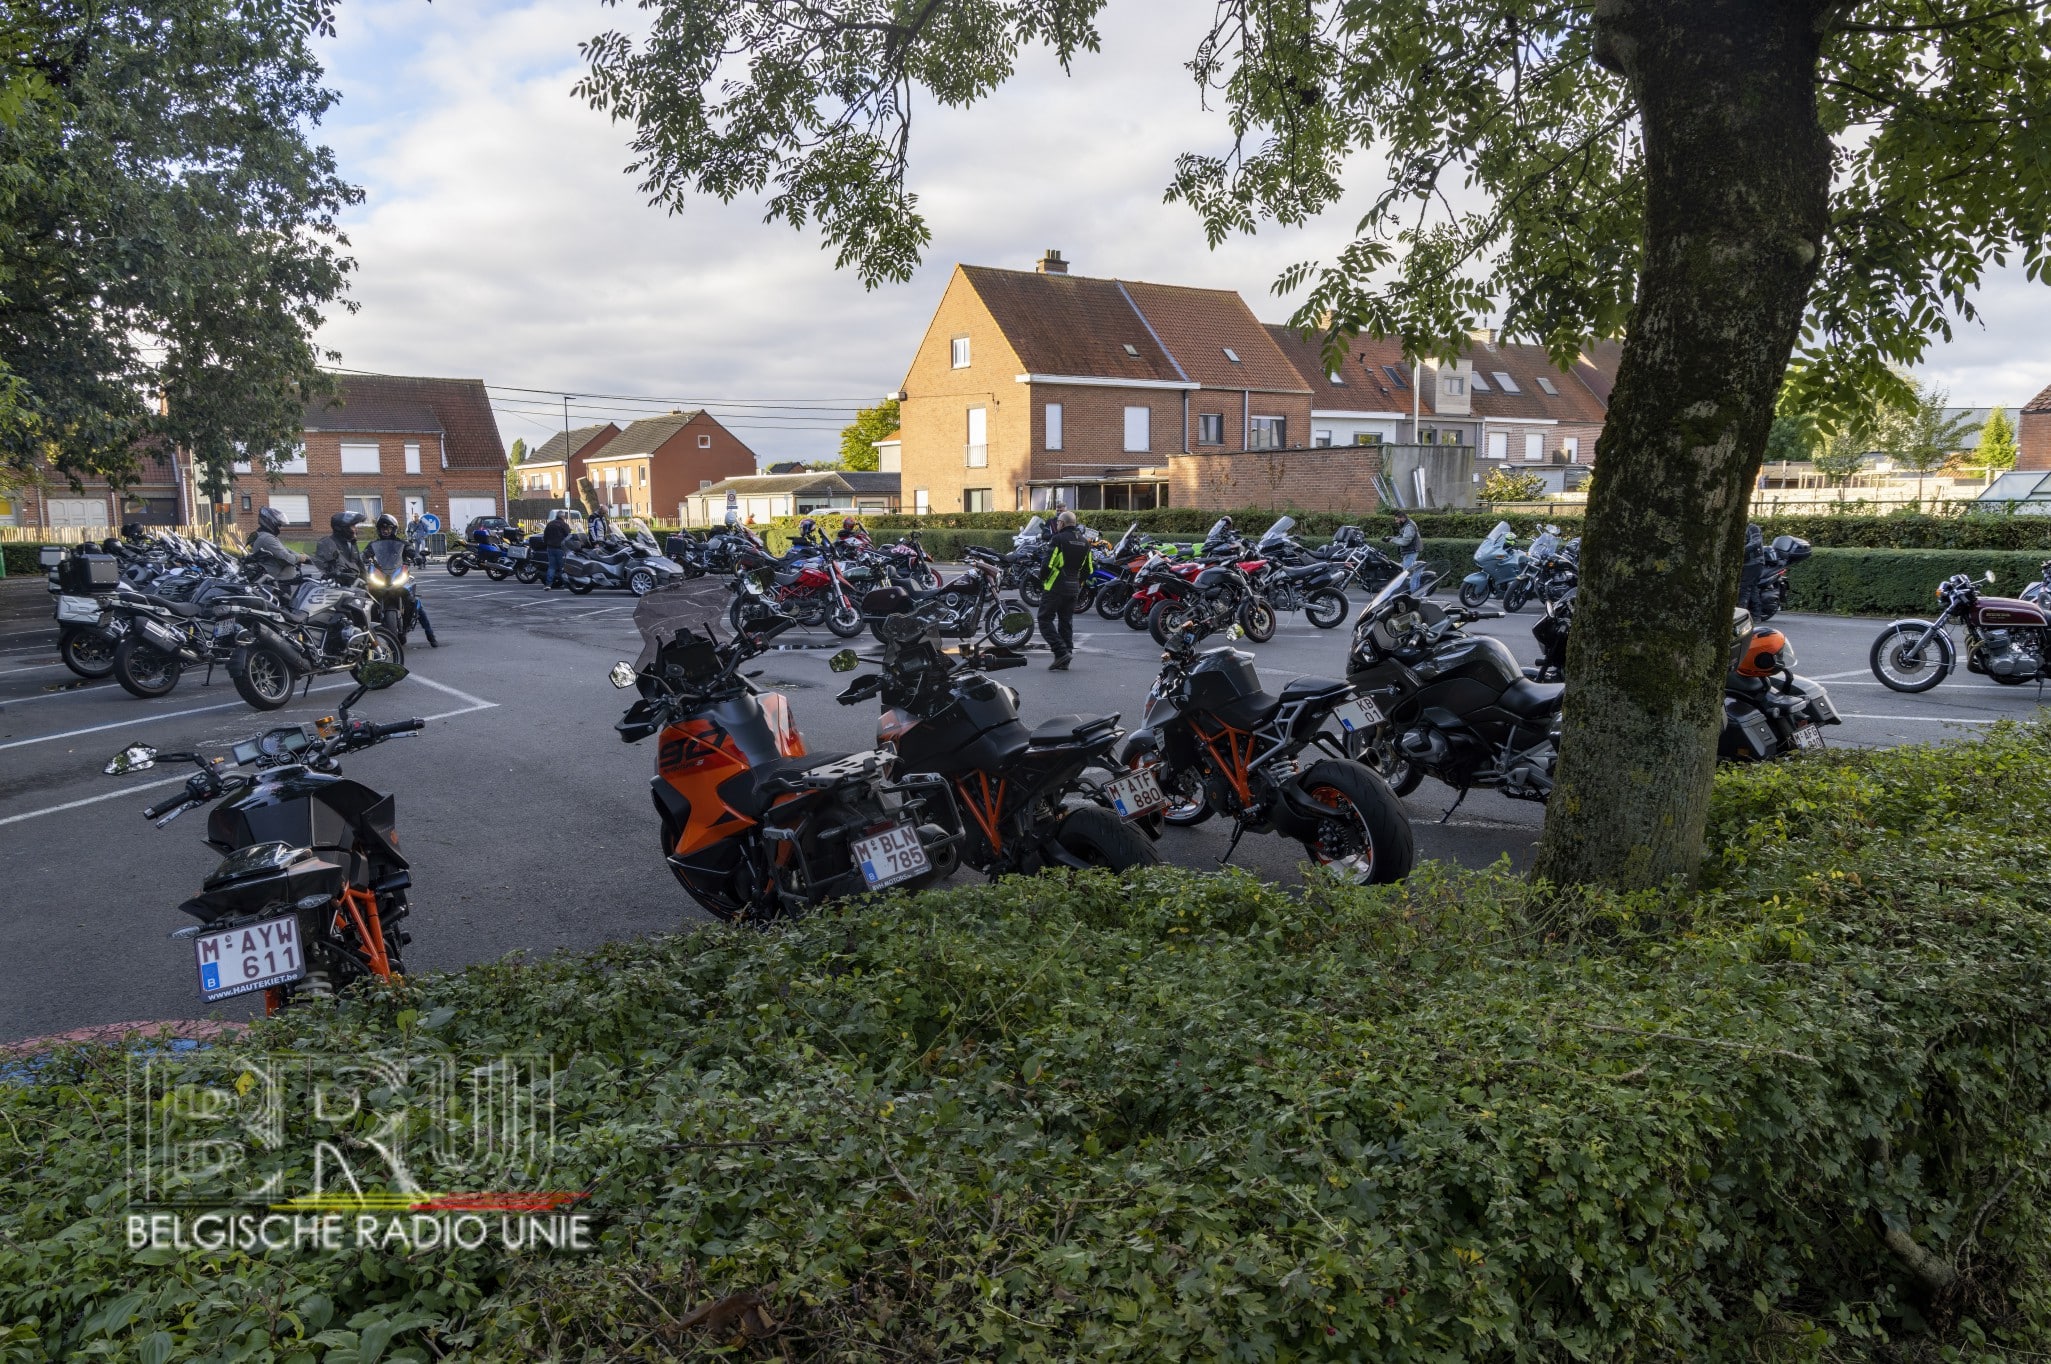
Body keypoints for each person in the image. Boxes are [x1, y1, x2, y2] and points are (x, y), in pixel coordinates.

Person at [371, 514, 437, 647]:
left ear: (393, 529)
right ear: (379, 529)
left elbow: (411, 552)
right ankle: (367, 638)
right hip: (381, 576)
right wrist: (360, 559)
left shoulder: (402, 544)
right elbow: (364, 555)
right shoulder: (373, 545)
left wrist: (417, 556)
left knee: (415, 602)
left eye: (388, 528)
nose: (385, 530)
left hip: (397, 575)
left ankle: (430, 634)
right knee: (367, 601)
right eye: (383, 528)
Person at [1037, 510, 1090, 671]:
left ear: (1063, 523)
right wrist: (1078, 583)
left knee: (1044, 619)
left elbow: (1048, 563)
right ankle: (1066, 656)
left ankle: (1060, 652)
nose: (1057, 524)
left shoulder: (1058, 539)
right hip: (1073, 587)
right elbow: (1088, 568)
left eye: (1058, 522)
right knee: (1066, 622)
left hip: (1055, 586)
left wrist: (1043, 578)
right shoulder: (1084, 541)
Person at [247, 505, 308, 583]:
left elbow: (285, 549)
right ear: (270, 522)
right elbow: (286, 558)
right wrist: (299, 558)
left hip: (276, 580)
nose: (279, 528)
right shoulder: (267, 538)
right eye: (278, 525)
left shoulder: (264, 535)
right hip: (277, 582)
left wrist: (303, 556)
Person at [313, 510, 366, 581]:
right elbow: (329, 566)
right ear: (342, 528)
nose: (356, 529)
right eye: (352, 526)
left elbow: (360, 564)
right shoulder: (327, 543)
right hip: (336, 586)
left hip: (355, 584)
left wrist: (366, 582)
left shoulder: (351, 542)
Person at [1386, 509, 1422, 592]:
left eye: (1397, 519)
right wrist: (1391, 538)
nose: (1396, 522)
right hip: (1410, 552)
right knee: (1412, 572)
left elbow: (1406, 541)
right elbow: (1402, 537)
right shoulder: (1406, 525)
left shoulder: (1409, 526)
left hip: (1411, 552)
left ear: (1402, 518)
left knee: (1407, 574)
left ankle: (1412, 593)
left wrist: (1392, 540)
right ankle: (1415, 591)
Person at [542, 509, 573, 589]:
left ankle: (548, 584)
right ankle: (566, 585)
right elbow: (569, 535)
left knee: (551, 567)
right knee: (562, 567)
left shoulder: (550, 524)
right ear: (563, 517)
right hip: (560, 548)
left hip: (550, 548)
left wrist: (546, 544)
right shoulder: (563, 525)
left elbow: (545, 536)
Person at [1739, 521, 1765, 616]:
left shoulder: (1753, 528)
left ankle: (1741, 615)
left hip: (1754, 563)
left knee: (1744, 588)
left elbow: (1756, 541)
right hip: (1749, 563)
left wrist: (1742, 550)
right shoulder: (1739, 529)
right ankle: (1756, 615)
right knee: (1752, 588)